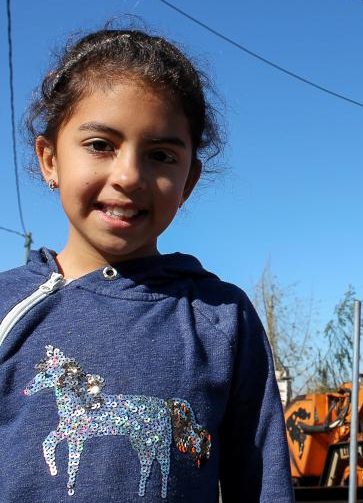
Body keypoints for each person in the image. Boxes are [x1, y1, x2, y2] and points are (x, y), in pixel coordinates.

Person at [0, 28, 293, 501]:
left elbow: (262, 485)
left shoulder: (221, 318)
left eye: (160, 155)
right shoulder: (6, 308)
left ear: (188, 181)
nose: (129, 176)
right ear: (49, 159)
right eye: (100, 144)